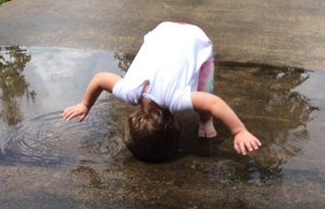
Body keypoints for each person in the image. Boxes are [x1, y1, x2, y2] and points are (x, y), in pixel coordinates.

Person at [62, 21, 261, 161]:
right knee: (195, 94)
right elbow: (99, 79)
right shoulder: (129, 92)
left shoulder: (175, 99)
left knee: (204, 93)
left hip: (196, 40)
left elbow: (213, 102)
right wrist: (85, 104)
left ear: (174, 124)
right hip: (161, 32)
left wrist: (239, 131)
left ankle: (205, 121)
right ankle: (205, 119)